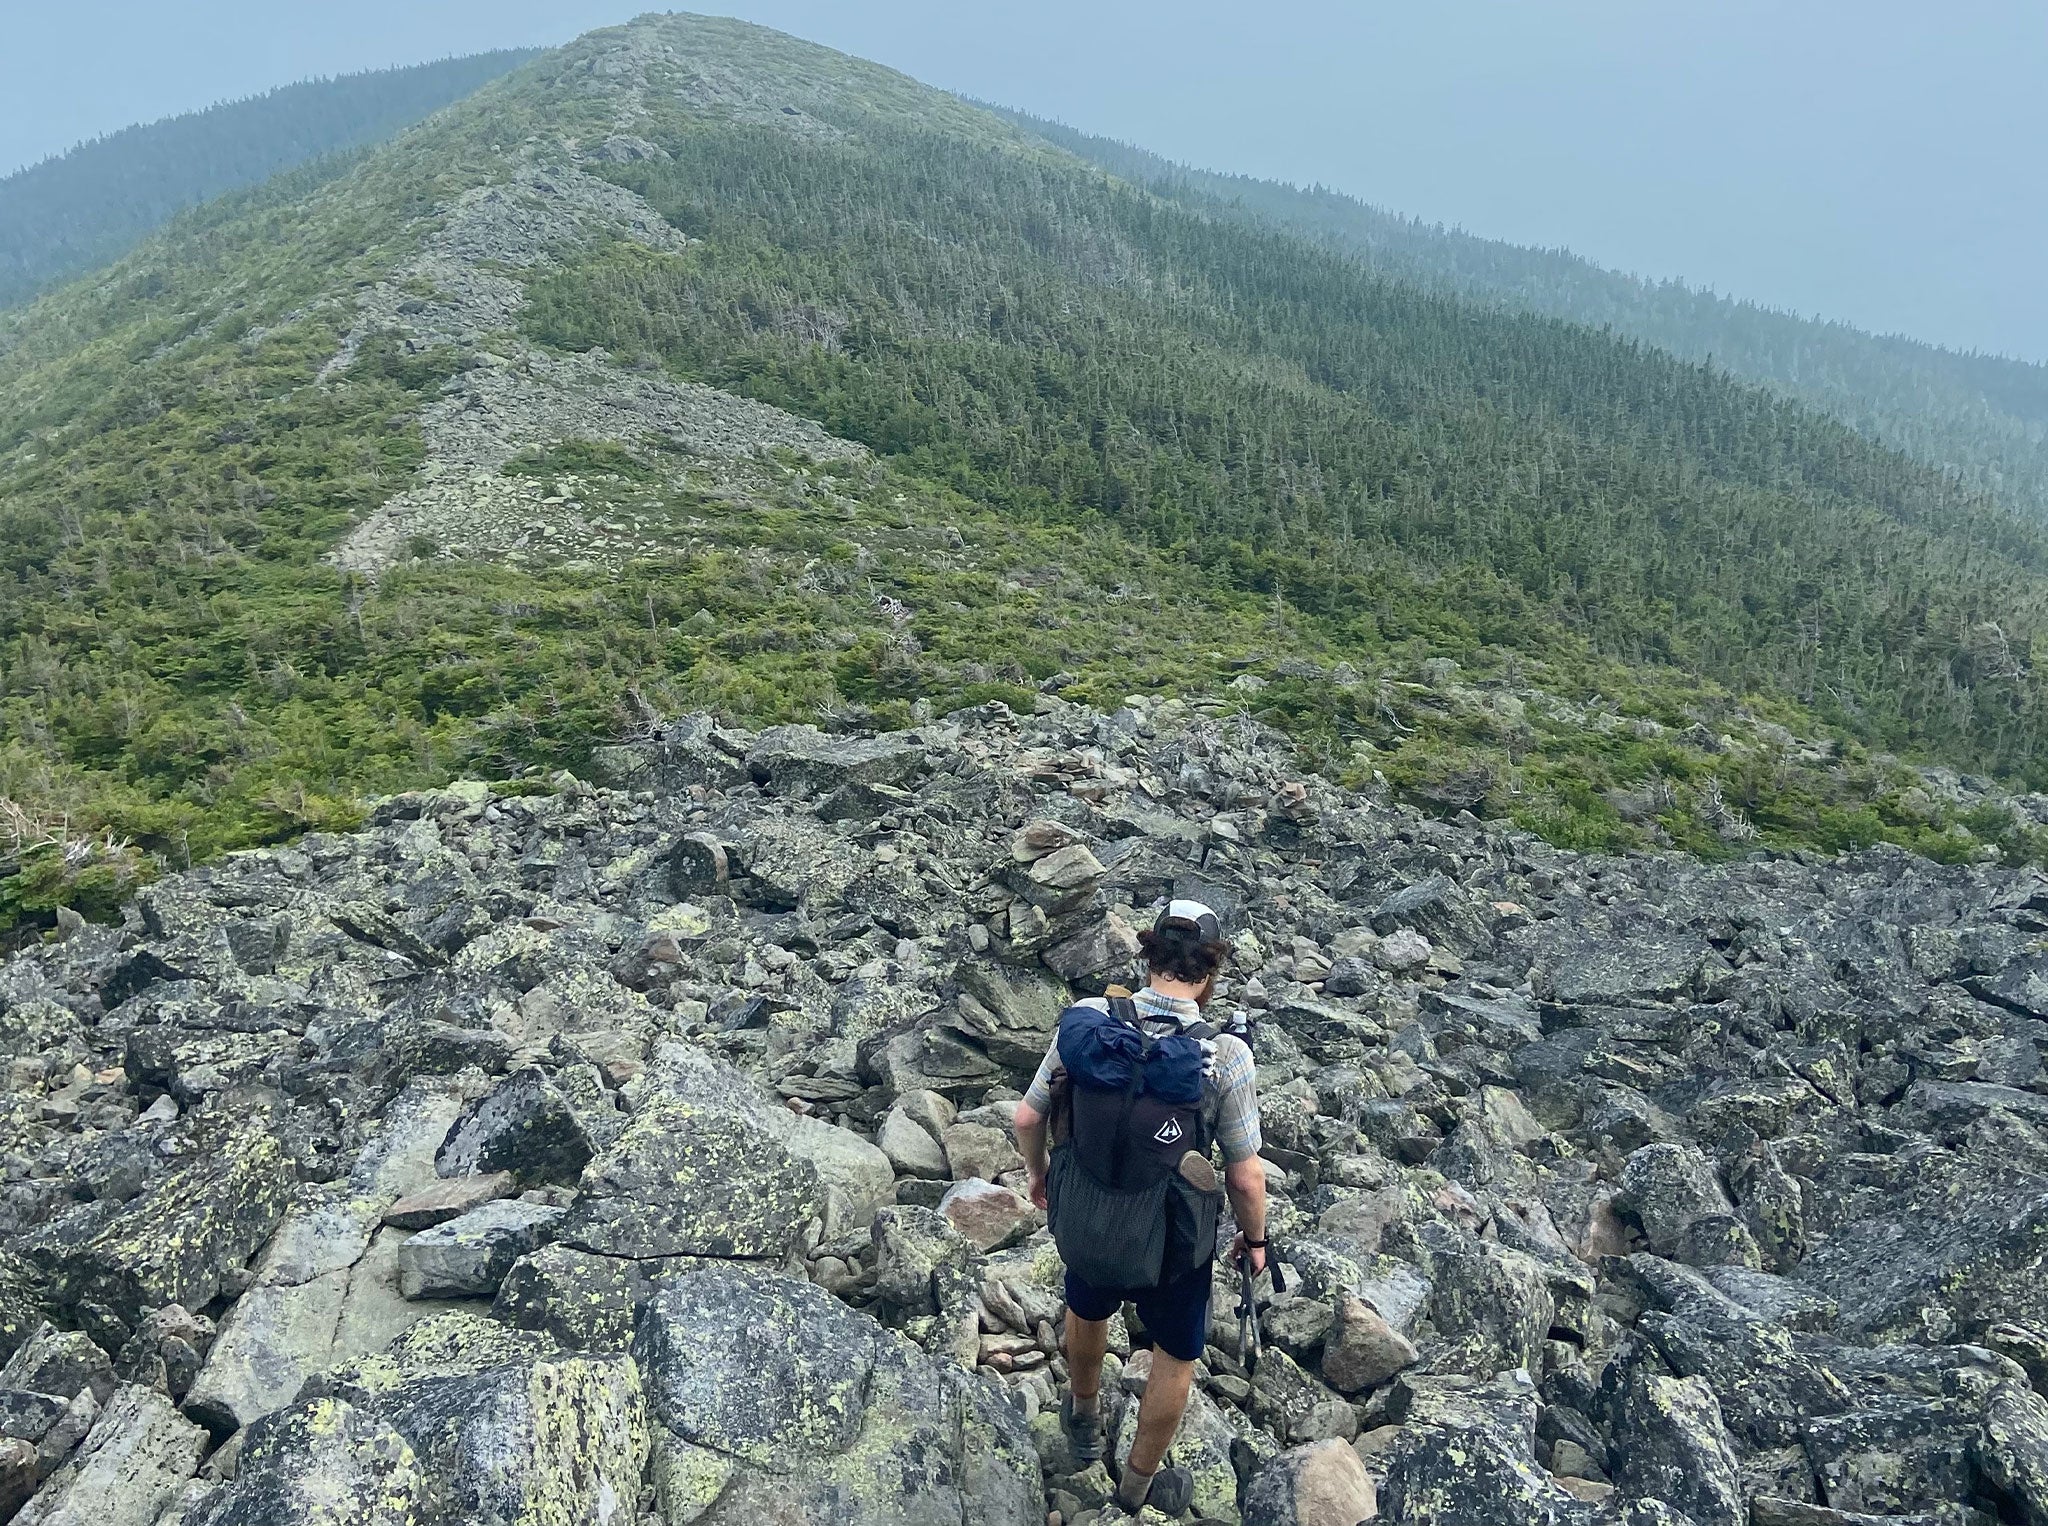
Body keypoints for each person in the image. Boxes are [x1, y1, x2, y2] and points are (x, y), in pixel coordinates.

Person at [1013, 899, 1267, 1518]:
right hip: (1173, 1242)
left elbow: (1027, 1115)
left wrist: (1039, 1176)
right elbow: (1244, 1173)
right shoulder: (1225, 1054)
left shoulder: (1090, 1020)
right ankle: (1135, 1487)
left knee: (1085, 1302)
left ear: (1148, 955)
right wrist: (1255, 1241)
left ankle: (1082, 1415)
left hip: (1089, 1215)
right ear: (1207, 973)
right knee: (1177, 1354)